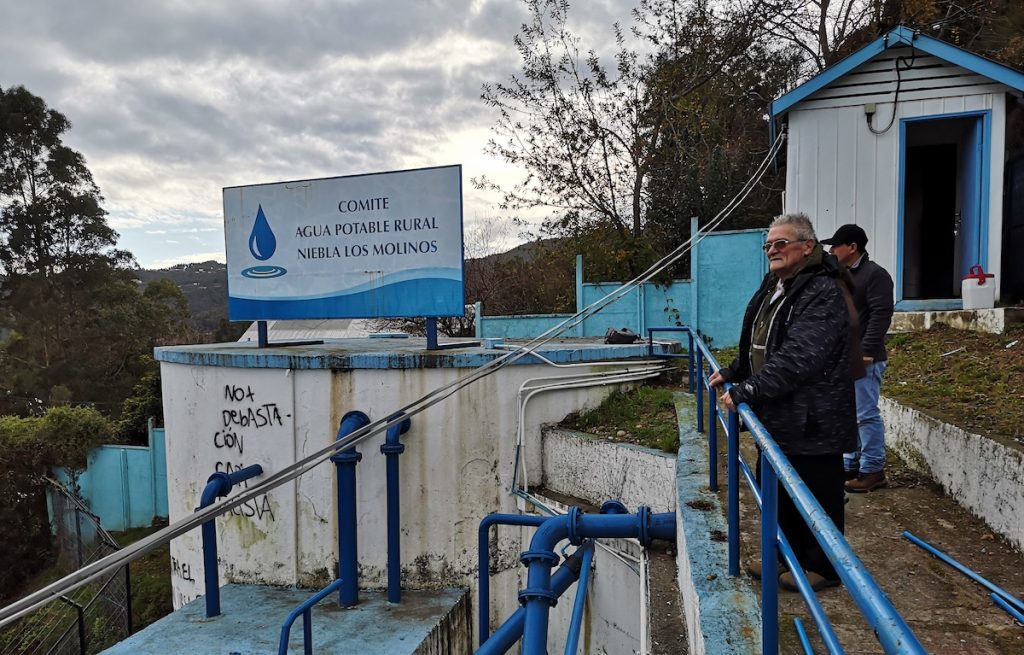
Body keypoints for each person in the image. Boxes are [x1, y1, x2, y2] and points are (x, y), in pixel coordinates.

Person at [709, 212, 860, 592]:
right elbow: (759, 341)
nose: (772, 251)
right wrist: (735, 371)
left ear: (807, 247)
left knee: (815, 493)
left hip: (814, 416)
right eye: (768, 245)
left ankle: (823, 566)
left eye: (781, 243)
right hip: (778, 413)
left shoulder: (821, 290)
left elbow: (799, 358)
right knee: (777, 489)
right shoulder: (778, 283)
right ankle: (784, 555)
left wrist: (748, 390)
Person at [820, 224, 894, 493]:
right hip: (845, 358)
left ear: (852, 247)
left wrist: (867, 351)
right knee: (848, 414)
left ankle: (873, 469)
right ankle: (851, 464)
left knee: (865, 415)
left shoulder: (875, 275)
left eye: (835, 245)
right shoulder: (843, 275)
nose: (831, 250)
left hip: (865, 359)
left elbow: (881, 315)